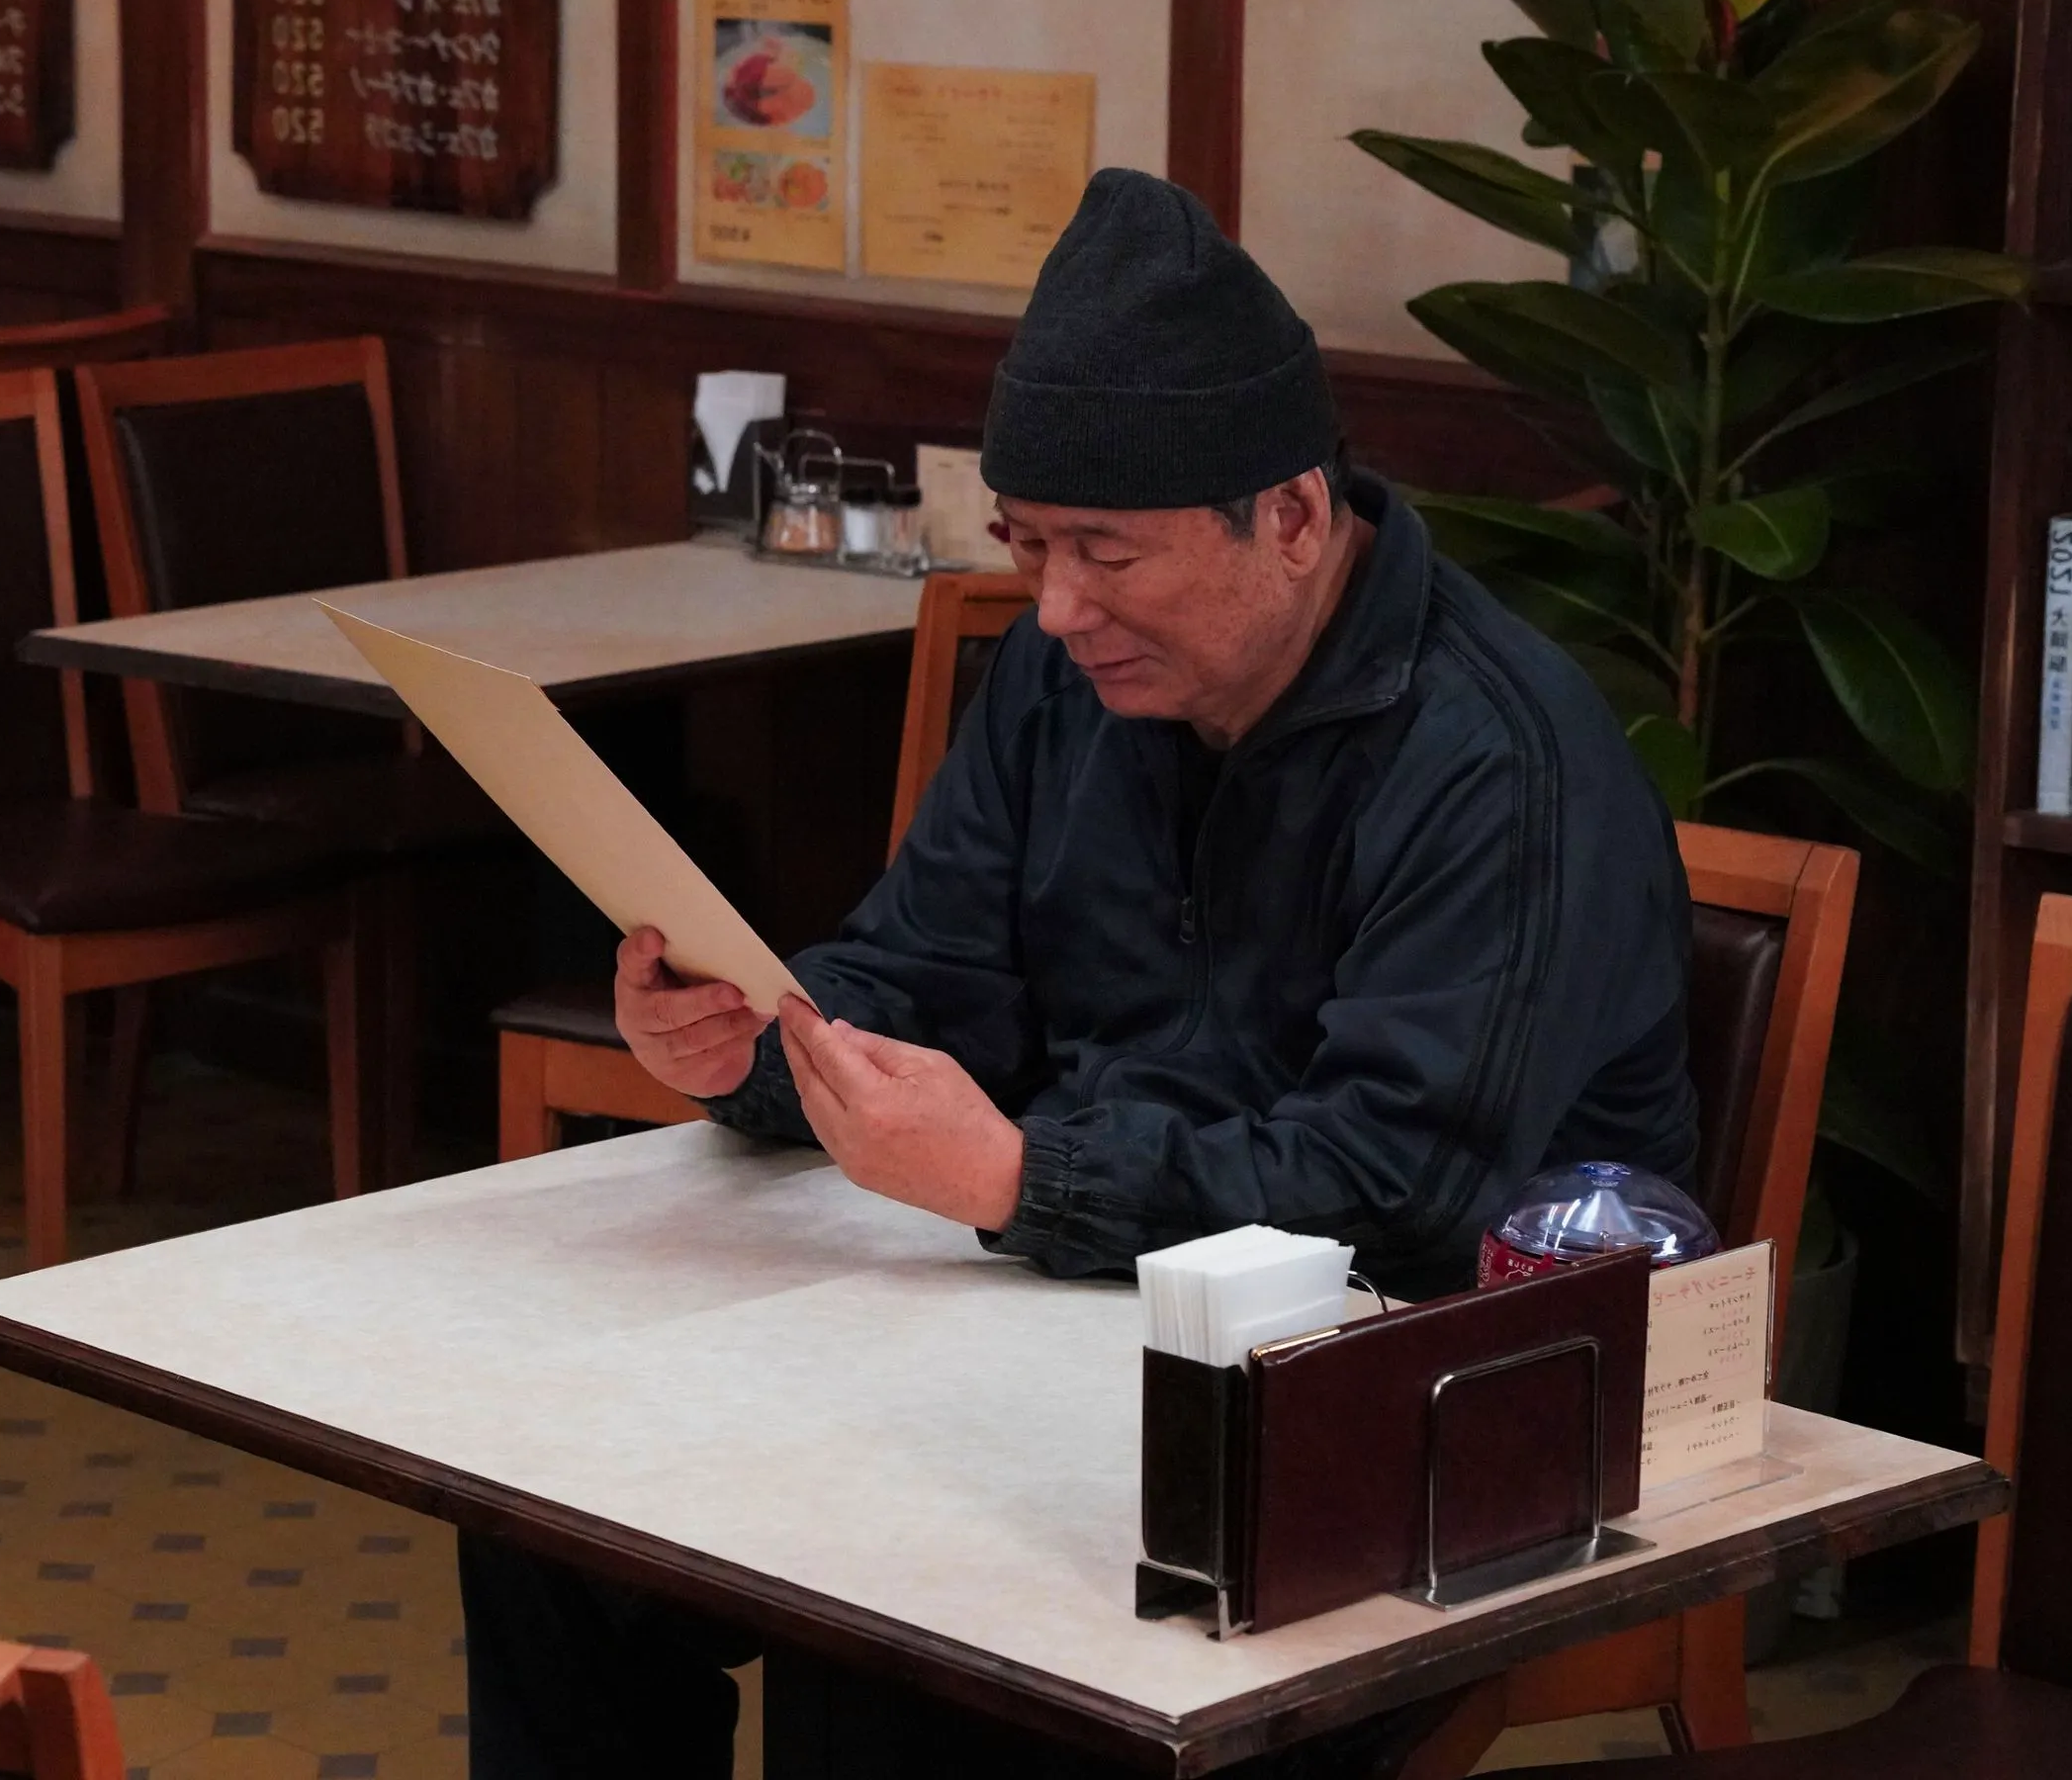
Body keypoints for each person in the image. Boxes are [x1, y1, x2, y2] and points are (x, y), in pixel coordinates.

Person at [462, 169, 1698, 1780]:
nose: (1056, 611)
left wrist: (1021, 1176)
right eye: (1030, 545)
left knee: (891, 1640)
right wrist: (748, 1048)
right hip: (1063, 1338)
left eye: (1106, 554)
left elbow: (1396, 1187)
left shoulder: (1496, 762)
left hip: (1410, 1410)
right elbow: (926, 966)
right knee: (556, 1535)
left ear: (1297, 517)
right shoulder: (1064, 678)